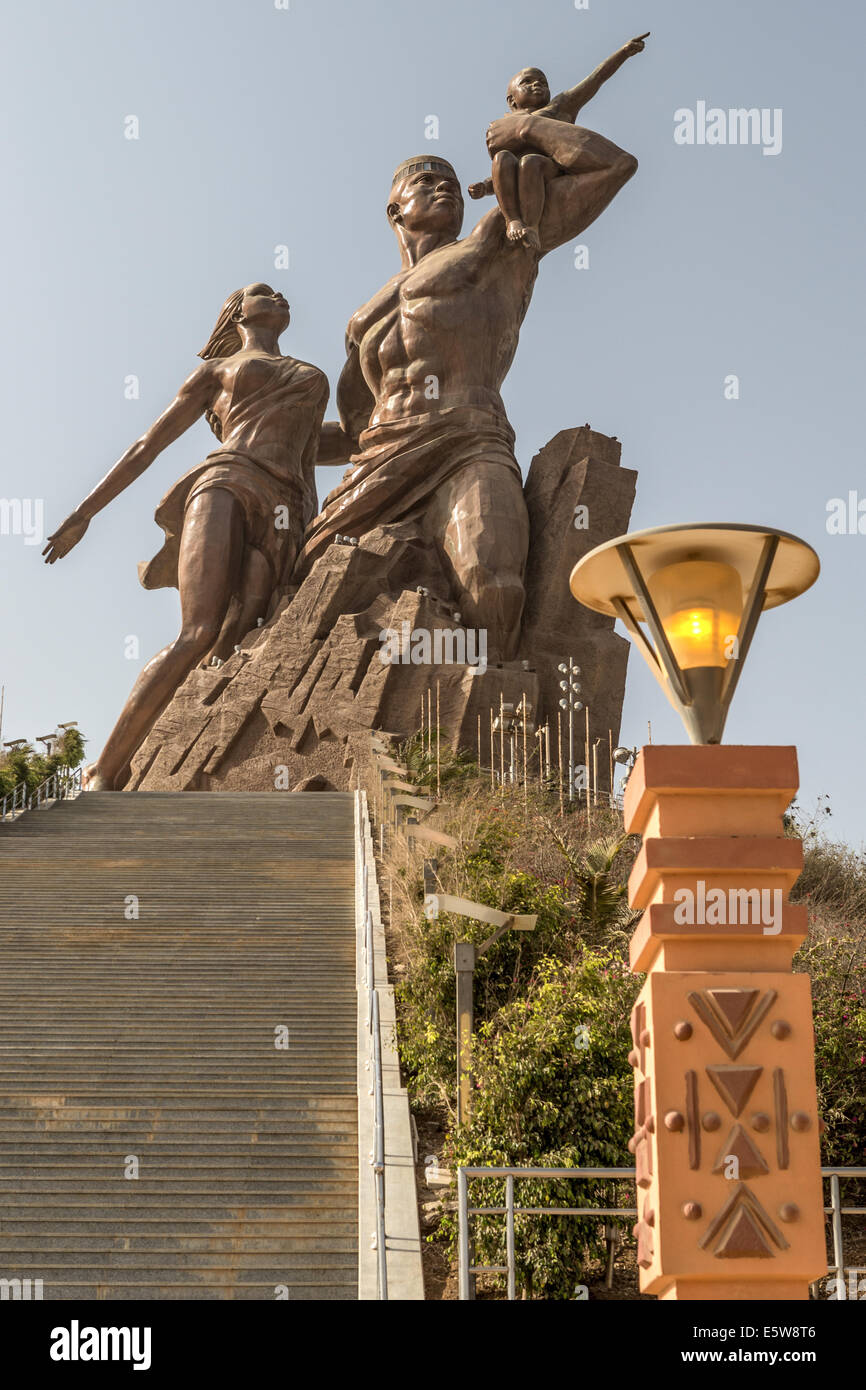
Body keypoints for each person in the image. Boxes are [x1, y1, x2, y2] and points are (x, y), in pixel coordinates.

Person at [301, 117, 638, 660]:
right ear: (395, 212)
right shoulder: (362, 320)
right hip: (378, 462)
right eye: (427, 184)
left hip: (469, 441)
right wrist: (258, 440)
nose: (445, 190)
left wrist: (527, 125)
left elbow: (613, 165)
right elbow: (356, 432)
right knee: (309, 586)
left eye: (454, 186)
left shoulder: (502, 240)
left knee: (493, 585)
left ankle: (499, 725)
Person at [43, 284, 328, 789]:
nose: (281, 295)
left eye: (281, 291)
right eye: (265, 292)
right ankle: (104, 772)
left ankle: (210, 768)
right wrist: (85, 512)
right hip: (228, 482)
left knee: (241, 635)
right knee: (197, 632)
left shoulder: (309, 376)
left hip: (288, 507)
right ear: (237, 313)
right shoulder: (216, 372)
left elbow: (327, 444)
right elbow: (148, 444)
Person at [467, 33, 649, 250]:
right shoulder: (500, 128)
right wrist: (485, 187)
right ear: (511, 100)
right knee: (502, 158)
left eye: (542, 82)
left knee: (531, 162)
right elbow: (505, 174)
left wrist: (623, 53)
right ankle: (513, 220)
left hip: (547, 169)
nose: (537, 85)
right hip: (517, 179)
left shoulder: (558, 108)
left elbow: (595, 80)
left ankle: (532, 226)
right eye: (527, 82)